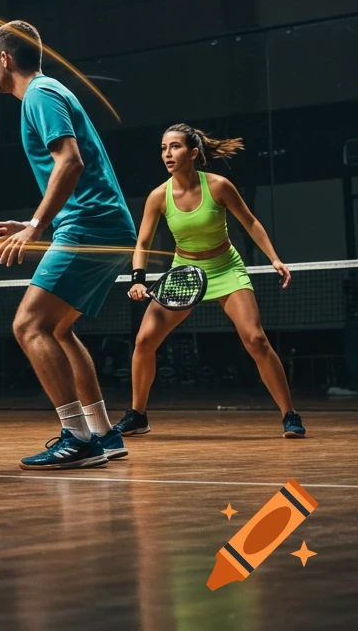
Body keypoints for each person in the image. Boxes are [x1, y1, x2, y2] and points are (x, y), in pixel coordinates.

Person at [0, 21, 136, 469]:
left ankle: (76, 438)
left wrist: (36, 224)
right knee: (58, 329)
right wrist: (39, 218)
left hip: (90, 225)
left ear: (6, 59)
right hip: (104, 225)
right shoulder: (47, 92)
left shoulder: (40, 94)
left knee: (28, 326)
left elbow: (70, 160)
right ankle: (104, 433)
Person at [115, 124, 305, 438]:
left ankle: (290, 415)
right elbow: (143, 241)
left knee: (256, 341)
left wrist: (274, 257)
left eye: (174, 147)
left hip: (225, 269)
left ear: (193, 153)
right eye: (164, 148)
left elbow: (251, 223)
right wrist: (138, 279)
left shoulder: (219, 186)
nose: (167, 154)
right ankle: (137, 415)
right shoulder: (158, 196)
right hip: (183, 273)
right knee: (145, 341)